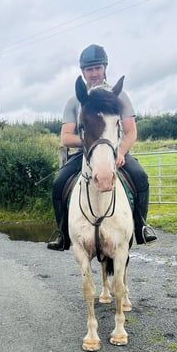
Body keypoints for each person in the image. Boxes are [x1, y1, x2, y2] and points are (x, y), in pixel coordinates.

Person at [47, 44, 157, 251]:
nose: (94, 73)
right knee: (58, 182)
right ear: (83, 72)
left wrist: (120, 152)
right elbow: (66, 137)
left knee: (140, 176)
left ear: (105, 68)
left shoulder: (119, 96)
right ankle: (62, 232)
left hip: (116, 151)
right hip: (85, 153)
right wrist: (94, 142)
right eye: (89, 69)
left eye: (97, 68)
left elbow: (131, 131)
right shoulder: (75, 101)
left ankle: (141, 225)